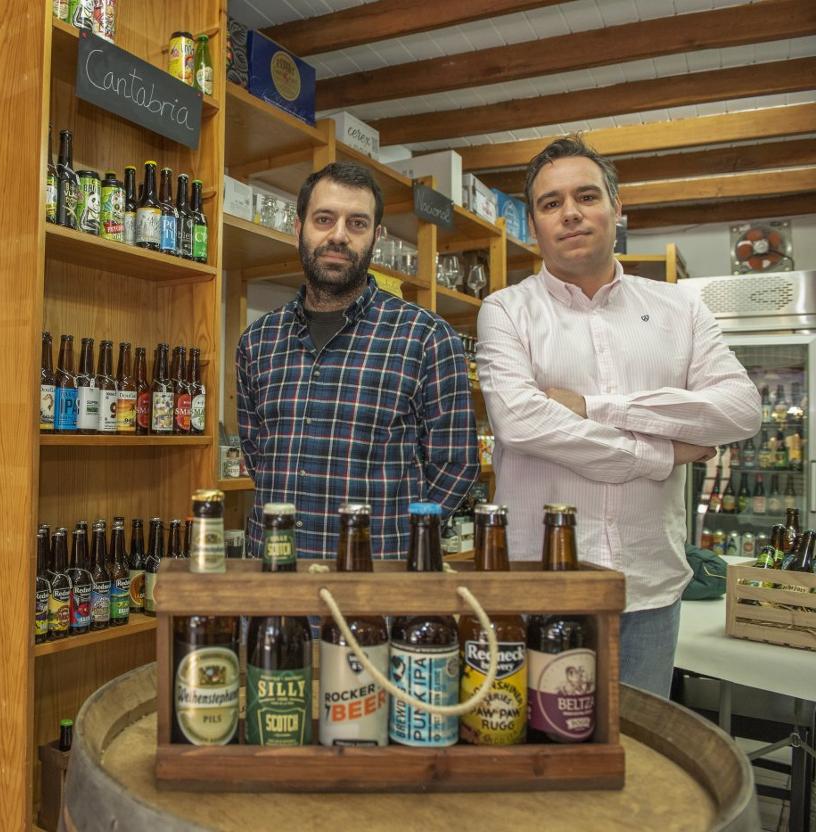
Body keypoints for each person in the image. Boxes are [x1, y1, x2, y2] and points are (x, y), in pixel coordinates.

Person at [476, 136, 761, 697]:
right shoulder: (506, 311)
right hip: (543, 588)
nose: (571, 213)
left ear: (617, 208)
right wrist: (658, 453)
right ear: (533, 225)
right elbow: (522, 422)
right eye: (551, 203)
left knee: (640, 766)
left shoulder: (681, 308)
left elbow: (740, 409)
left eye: (586, 196)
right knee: (537, 762)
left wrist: (596, 408)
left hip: (648, 593)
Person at [236, 162, 480, 560]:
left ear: (376, 237)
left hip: (376, 584)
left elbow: (454, 466)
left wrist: (402, 548)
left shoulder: (426, 337)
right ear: (299, 229)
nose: (338, 236)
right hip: (275, 576)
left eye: (357, 224)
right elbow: (256, 454)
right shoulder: (258, 340)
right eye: (324, 219)